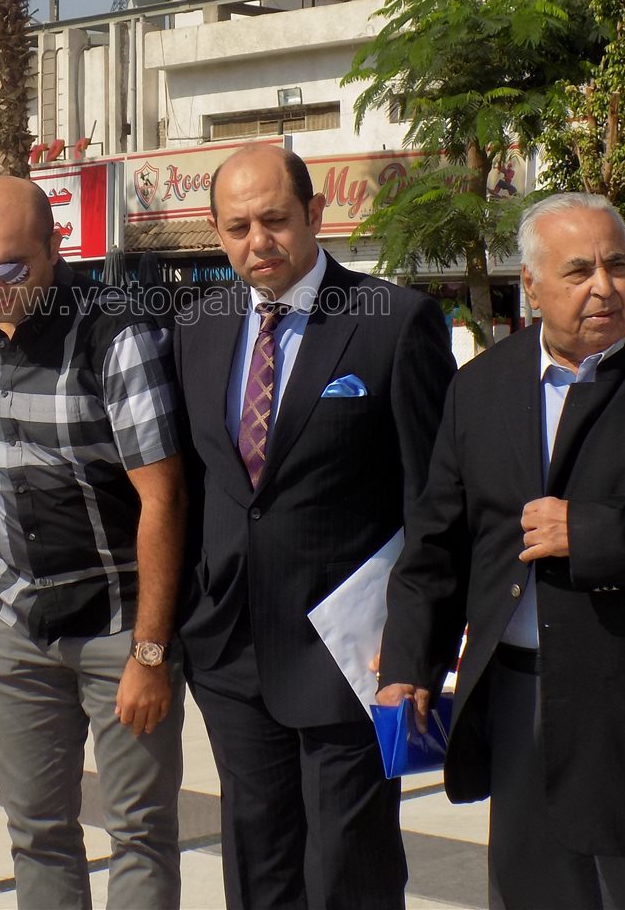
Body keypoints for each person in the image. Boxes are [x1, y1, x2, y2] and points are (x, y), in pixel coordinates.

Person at [379, 191, 625, 910]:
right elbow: (438, 542)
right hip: (519, 703)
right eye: (579, 270)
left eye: (617, 266)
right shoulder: (480, 389)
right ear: (531, 286)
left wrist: (590, 533)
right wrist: (410, 663)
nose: (604, 287)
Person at [173, 144, 455, 909]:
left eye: (274, 220)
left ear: (315, 214)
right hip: (232, 658)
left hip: (350, 657)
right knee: (258, 876)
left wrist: (415, 652)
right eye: (237, 227)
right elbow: (197, 486)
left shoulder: (393, 323)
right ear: (216, 231)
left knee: (347, 876)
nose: (257, 241)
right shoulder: (198, 328)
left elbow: (435, 505)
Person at [0, 176, 187, 910]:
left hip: (118, 620)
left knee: (140, 831)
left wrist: (149, 653)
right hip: (13, 619)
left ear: (56, 247)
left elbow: (164, 497)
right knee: (35, 830)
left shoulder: (117, 334)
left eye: (11, 268)